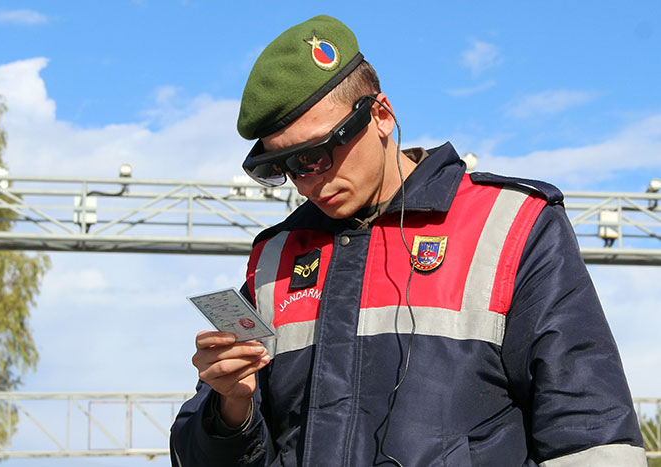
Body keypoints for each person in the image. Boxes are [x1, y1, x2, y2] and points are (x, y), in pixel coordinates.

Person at [170, 15, 645, 467]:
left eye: (317, 154)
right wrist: (231, 409)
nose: (307, 182)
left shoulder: (513, 224)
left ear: (380, 114)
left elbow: (590, 431)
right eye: (285, 166)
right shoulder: (275, 256)